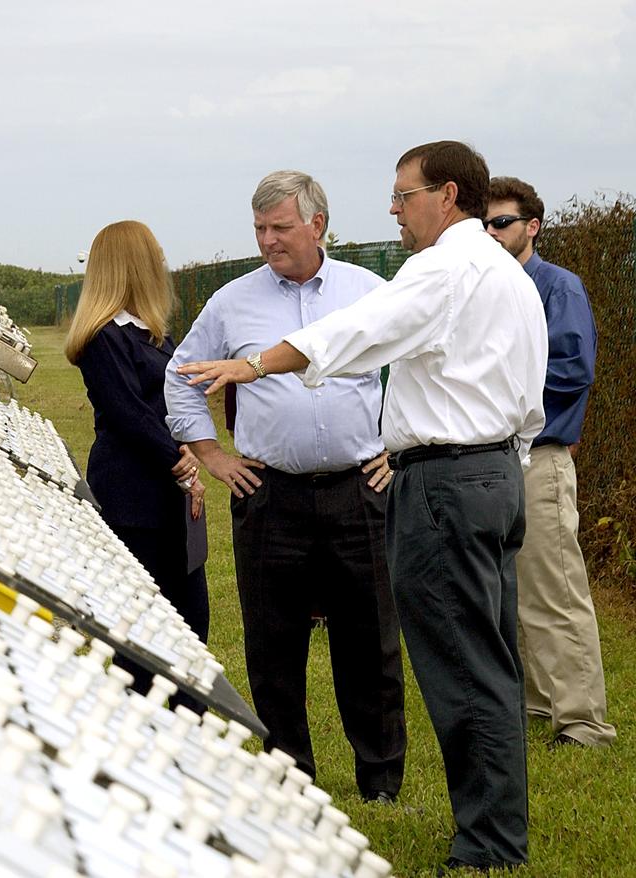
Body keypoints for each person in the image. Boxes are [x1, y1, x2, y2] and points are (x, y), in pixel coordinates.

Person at [177, 142, 548, 873]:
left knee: (463, 669)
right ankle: (498, 827)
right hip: (496, 475)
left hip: (447, 485)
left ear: (446, 196)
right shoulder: (507, 274)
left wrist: (254, 363)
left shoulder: (442, 269)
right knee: (491, 663)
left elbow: (352, 335)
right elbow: (528, 397)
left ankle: (490, 846)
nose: (393, 209)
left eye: (403, 195)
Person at [164, 171, 406, 804]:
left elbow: (417, 367)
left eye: (279, 227)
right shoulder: (231, 303)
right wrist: (211, 453)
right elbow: (179, 377)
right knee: (273, 641)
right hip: (270, 496)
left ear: (317, 225)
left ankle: (381, 780)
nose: (267, 240)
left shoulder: (368, 291)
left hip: (359, 490)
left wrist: (398, 448)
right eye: (259, 229)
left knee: (371, 639)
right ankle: (289, 776)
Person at [485, 175, 613, 749]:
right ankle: (540, 704)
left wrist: (491, 390)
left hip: (539, 458)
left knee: (555, 589)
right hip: (493, 459)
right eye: (484, 223)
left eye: (503, 222)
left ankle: (584, 721)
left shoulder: (557, 287)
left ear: (532, 226)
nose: (492, 232)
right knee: (512, 588)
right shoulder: (487, 286)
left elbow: (572, 370)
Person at [65, 220, 209, 708]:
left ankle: (183, 725)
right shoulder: (105, 336)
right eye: (156, 254)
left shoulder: (153, 334)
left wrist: (190, 448)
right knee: (143, 629)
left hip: (163, 488)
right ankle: (144, 733)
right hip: (132, 494)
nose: (162, 264)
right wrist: (181, 462)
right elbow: (130, 413)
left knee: (189, 622)